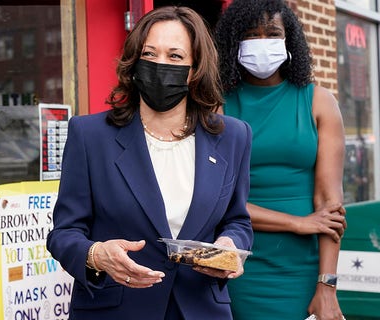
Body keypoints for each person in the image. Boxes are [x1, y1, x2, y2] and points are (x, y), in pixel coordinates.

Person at [46, 6, 253, 319]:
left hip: (200, 309)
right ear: (135, 62)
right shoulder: (89, 135)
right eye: (150, 53)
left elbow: (238, 220)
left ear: (196, 68)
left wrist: (228, 246)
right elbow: (64, 234)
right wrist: (97, 255)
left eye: (174, 56)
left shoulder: (233, 137)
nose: (160, 64)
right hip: (115, 309)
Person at [214, 1, 347, 319]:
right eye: (250, 35)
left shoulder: (319, 102)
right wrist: (298, 223)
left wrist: (327, 286)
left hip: (303, 268)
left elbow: (330, 206)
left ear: (289, 41)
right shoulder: (217, 107)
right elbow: (219, 200)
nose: (262, 43)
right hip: (240, 264)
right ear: (234, 43)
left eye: (272, 33)